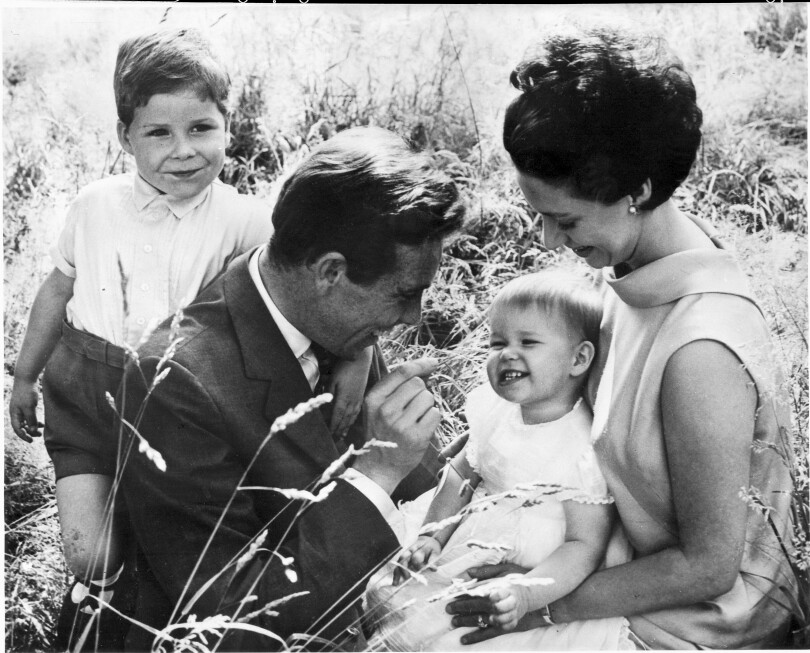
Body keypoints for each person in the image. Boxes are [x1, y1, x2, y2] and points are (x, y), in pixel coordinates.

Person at [7, 28, 374, 651]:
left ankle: (166, 602)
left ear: (228, 126)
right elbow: (54, 292)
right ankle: (102, 588)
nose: (183, 152)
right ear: (125, 137)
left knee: (173, 542)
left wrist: (356, 354)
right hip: (86, 392)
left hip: (185, 406)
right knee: (89, 554)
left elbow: (305, 296)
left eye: (202, 128)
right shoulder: (94, 207)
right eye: (159, 133)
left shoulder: (247, 219)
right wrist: (23, 375)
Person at [446, 26, 798, 649]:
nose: (551, 243)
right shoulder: (637, 267)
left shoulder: (699, 350)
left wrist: (539, 605)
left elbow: (709, 566)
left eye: (566, 220)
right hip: (597, 558)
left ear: (637, 192)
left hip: (690, 622)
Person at [117, 126, 465, 651]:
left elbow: (417, 494)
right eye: (404, 294)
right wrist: (377, 473)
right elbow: (237, 622)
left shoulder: (330, 319)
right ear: (330, 271)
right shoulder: (174, 382)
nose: (412, 317)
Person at [365, 271, 634, 651]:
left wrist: (525, 594)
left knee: (459, 636)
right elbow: (461, 473)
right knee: (396, 592)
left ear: (579, 358)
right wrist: (433, 533)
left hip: (534, 565)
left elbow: (582, 544)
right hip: (469, 534)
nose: (507, 353)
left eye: (528, 342)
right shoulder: (494, 409)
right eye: (497, 342)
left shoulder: (579, 446)